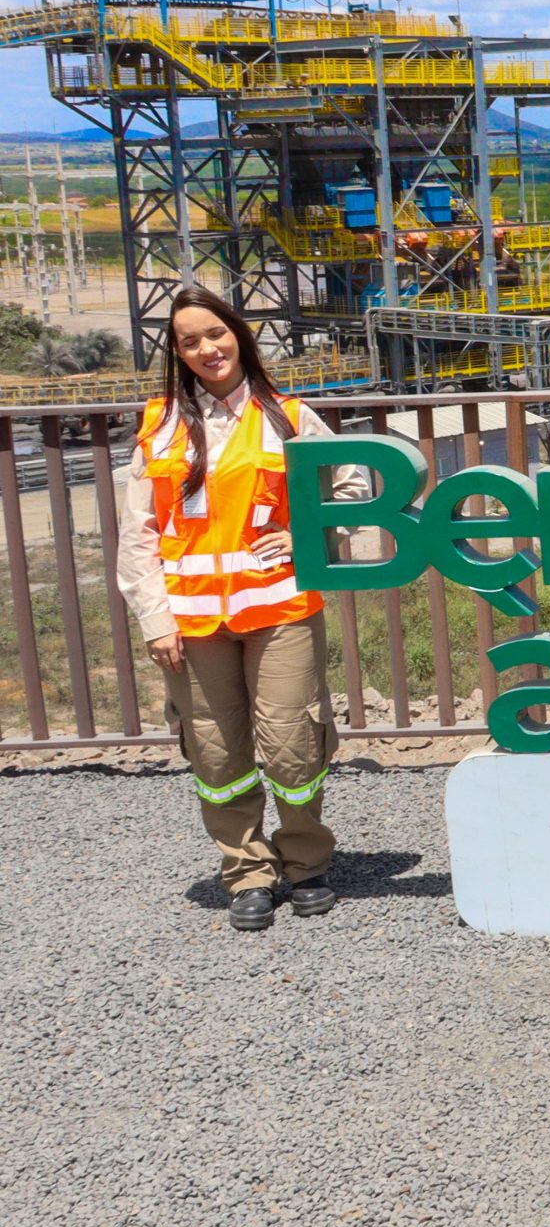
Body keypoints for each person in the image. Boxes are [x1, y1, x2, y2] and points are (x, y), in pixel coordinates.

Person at [119, 288, 360, 932]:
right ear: (177, 352)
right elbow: (138, 535)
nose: (207, 349)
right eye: (190, 341)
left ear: (240, 334)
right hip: (193, 623)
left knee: (291, 742)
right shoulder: (160, 428)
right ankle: (247, 872)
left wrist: (314, 537)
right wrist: (154, 619)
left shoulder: (287, 416)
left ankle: (306, 860)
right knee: (216, 753)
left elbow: (351, 485)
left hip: (279, 607)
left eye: (215, 334)